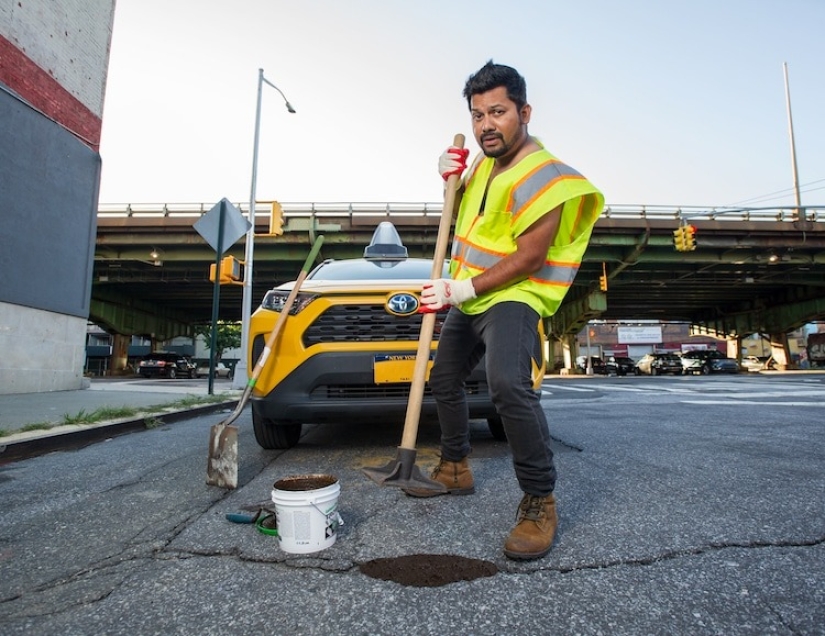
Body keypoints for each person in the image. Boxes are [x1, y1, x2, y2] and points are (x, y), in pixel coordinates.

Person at [405, 60, 604, 561]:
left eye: (498, 112)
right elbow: (466, 216)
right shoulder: (482, 164)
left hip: (514, 293)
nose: (486, 125)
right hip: (472, 292)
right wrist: (449, 181)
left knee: (509, 386)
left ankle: (540, 501)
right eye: (478, 115)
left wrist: (459, 290)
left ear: (524, 112)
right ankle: (455, 468)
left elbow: (531, 256)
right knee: (444, 378)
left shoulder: (547, 176)